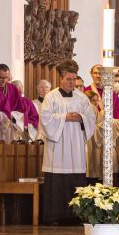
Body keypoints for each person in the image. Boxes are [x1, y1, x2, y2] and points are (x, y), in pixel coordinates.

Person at [39, 60, 97, 224]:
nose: (72, 83)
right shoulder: (51, 97)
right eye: (69, 79)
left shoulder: (82, 98)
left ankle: (75, 216)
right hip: (57, 146)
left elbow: (91, 118)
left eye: (74, 79)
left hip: (76, 146)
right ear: (61, 79)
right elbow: (45, 119)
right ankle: (54, 217)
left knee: (75, 181)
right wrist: (64, 117)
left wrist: (81, 117)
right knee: (57, 183)